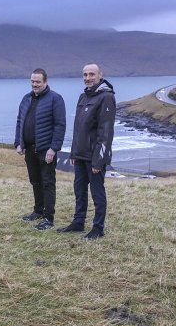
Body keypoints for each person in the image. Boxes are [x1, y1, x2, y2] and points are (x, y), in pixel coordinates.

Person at [57, 63, 116, 240]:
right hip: (81, 155)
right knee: (79, 189)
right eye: (85, 75)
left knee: (97, 192)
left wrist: (98, 160)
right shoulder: (84, 96)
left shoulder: (106, 97)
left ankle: (98, 228)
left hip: (94, 156)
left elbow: (105, 132)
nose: (88, 78)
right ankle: (78, 222)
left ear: (100, 75)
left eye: (91, 74)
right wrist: (74, 152)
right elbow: (78, 129)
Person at [14, 68, 66, 230]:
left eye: (38, 82)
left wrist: (54, 148)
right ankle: (38, 211)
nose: (34, 84)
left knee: (47, 183)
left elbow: (60, 125)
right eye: (32, 81)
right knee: (35, 181)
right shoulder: (26, 99)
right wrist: (18, 142)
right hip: (29, 149)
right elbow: (19, 121)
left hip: (46, 150)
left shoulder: (55, 99)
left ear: (45, 82)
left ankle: (48, 218)